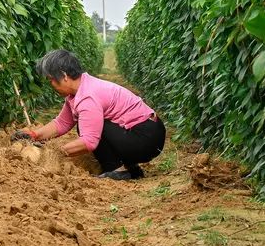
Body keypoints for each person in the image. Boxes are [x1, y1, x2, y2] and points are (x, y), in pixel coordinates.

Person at [14, 49, 165, 180]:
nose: (51, 85)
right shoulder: (79, 90)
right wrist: (34, 135)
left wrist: (54, 152)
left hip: (146, 139)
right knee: (89, 124)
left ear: (64, 75)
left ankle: (118, 171)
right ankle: (131, 169)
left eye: (51, 80)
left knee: (90, 127)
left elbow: (89, 141)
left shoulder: (88, 97)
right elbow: (62, 123)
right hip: (147, 133)